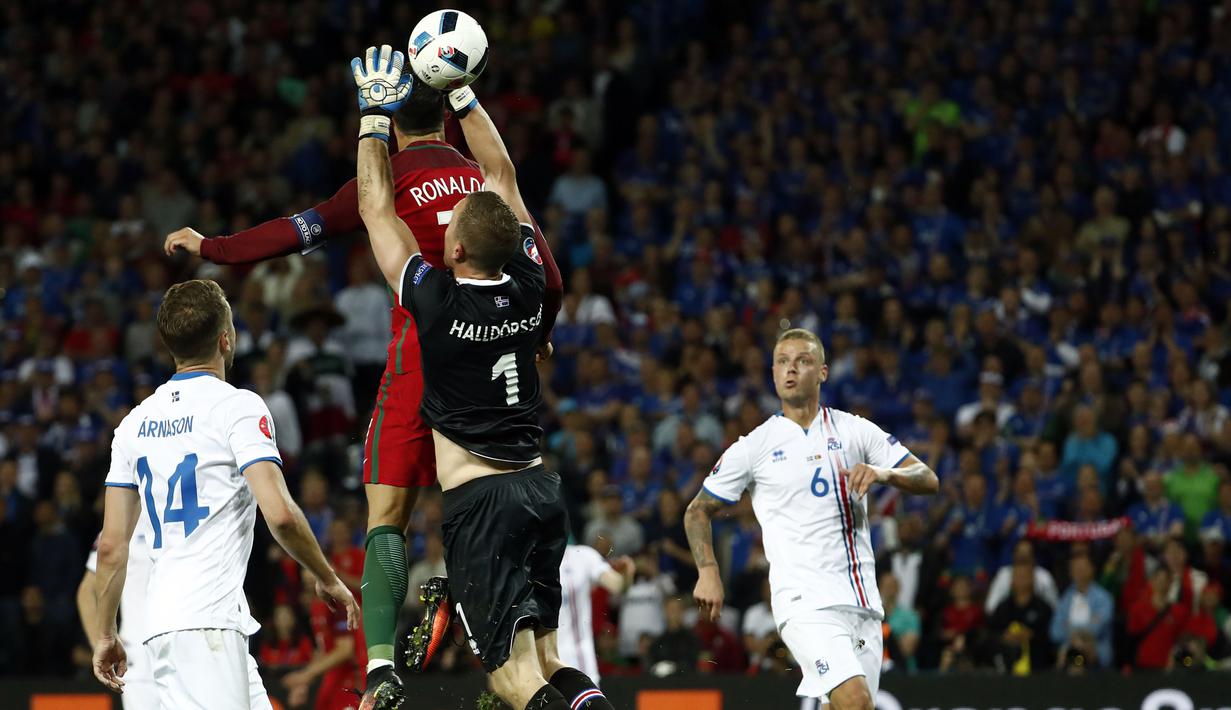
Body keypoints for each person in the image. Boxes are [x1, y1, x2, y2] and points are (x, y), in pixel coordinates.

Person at [163, 35, 563, 703]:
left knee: (387, 515)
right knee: (485, 497)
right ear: (443, 114)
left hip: (422, 347)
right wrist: (537, 334)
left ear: (393, 120)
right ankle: (482, 613)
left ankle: (379, 668)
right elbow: (547, 278)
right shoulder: (482, 185)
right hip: (498, 355)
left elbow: (298, 231)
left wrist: (213, 247)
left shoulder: (384, 180)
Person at [350, 45, 610, 710]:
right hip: (539, 492)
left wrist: (372, 120)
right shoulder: (527, 287)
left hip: (481, 504)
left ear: (456, 249)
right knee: (551, 659)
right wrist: (462, 95)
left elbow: (377, 207)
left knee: (509, 678)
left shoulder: (433, 305)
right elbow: (499, 174)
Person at [90, 279, 359, 709]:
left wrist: (106, 634)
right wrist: (327, 577)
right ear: (226, 339)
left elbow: (111, 547)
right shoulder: (237, 407)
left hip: (174, 625)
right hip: (205, 628)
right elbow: (282, 514)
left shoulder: (133, 426)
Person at [684, 328, 938, 710]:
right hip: (804, 603)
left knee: (851, 706)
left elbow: (928, 479)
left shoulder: (855, 431)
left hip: (863, 603)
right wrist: (708, 570)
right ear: (772, 373)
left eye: (802, 361)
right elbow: (697, 510)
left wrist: (885, 474)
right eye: (783, 362)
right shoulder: (755, 446)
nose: (791, 370)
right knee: (854, 700)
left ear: (822, 372)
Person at [76, 531, 156, 710]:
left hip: (193, 650)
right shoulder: (125, 519)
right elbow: (87, 591)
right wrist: (101, 644)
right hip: (140, 663)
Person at [557, 543, 635, 684]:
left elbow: (618, 586)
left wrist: (625, 576)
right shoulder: (528, 557)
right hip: (538, 665)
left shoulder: (583, 556)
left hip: (578, 661)